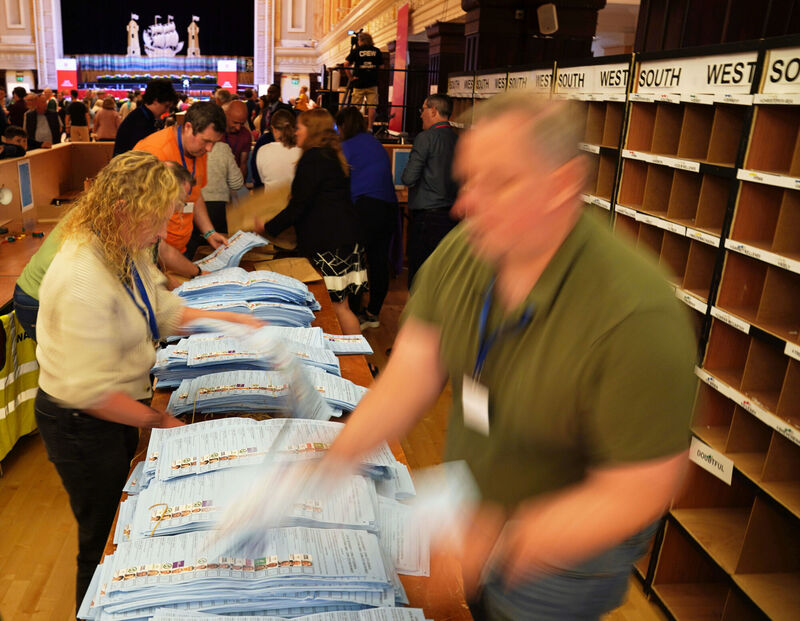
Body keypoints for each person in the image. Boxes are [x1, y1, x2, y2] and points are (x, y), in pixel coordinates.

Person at [323, 94, 696, 620]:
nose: (465, 204)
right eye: (469, 180)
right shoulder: (469, 249)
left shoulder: (635, 312)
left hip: (563, 558)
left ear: (562, 185)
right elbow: (412, 371)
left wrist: (504, 542)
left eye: (499, 182)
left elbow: (641, 486)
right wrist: (334, 460)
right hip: (470, 507)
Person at [33, 151, 263, 614]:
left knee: (123, 514)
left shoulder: (121, 246)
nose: (162, 232)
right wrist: (164, 422)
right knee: (105, 536)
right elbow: (89, 392)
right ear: (123, 211)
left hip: (115, 402)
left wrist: (233, 321)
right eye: (157, 220)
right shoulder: (83, 274)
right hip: (80, 421)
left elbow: (161, 310)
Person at [13, 162, 201, 340]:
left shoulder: (125, 210)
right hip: (35, 298)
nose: (178, 207)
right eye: (178, 200)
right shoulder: (130, 220)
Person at [260, 108, 366, 334]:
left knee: (336, 307)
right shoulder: (330, 155)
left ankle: (359, 365)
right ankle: (361, 363)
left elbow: (298, 207)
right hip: (345, 239)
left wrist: (267, 227)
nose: (295, 132)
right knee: (343, 307)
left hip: (329, 243)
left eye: (299, 127)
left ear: (312, 130)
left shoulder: (313, 158)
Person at [135, 101, 229, 258]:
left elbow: (194, 195)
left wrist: (209, 233)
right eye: (206, 141)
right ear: (188, 128)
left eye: (214, 143)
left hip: (181, 249)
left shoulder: (198, 151)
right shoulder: (154, 152)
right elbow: (137, 214)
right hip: (153, 252)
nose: (209, 149)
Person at [336, 106, 398, 330]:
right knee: (378, 261)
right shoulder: (374, 143)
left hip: (365, 208)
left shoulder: (345, 147)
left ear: (342, 126)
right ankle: (373, 313)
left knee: (355, 260)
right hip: (389, 207)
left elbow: (342, 184)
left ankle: (353, 313)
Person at [402, 93, 459, 287]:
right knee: (443, 276)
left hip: (427, 218)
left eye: (423, 110)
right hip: (453, 217)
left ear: (433, 111)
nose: (420, 115)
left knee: (420, 277)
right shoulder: (458, 139)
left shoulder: (426, 138)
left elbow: (409, 178)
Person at [114, 79, 177, 156]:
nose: (167, 110)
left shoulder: (142, 115)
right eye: (166, 106)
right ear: (155, 100)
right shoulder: (139, 121)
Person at [250, 84, 294, 187]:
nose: (269, 95)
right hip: (266, 144)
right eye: (268, 92)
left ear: (278, 93)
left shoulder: (285, 109)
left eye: (272, 92)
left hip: (284, 145)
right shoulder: (265, 110)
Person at [200, 140, 244, 235]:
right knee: (217, 246)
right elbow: (236, 183)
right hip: (216, 206)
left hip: (185, 208)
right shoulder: (222, 148)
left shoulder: (179, 146)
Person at [255, 109, 301, 192]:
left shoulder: (263, 151)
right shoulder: (301, 151)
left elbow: (262, 179)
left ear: (273, 128)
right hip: (294, 201)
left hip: (270, 202)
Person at [344, 32, 383, 131]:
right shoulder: (376, 51)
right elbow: (382, 66)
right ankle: (370, 127)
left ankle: (354, 127)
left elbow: (346, 64)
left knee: (355, 108)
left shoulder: (357, 50)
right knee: (372, 107)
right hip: (372, 82)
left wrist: (350, 77)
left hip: (359, 82)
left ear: (360, 41)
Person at [222, 100, 251, 179]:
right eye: (235, 122)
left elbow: (243, 164)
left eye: (242, 123)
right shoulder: (214, 131)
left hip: (234, 180)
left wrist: (240, 187)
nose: (238, 128)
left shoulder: (246, 135)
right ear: (226, 116)